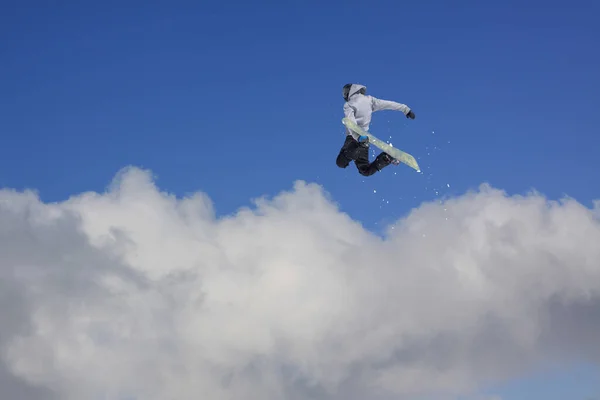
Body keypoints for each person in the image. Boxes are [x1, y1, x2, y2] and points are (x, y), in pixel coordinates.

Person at [336, 83, 416, 176]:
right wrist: (405, 109)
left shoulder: (348, 104)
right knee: (365, 170)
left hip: (354, 138)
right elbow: (388, 104)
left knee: (340, 163)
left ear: (350, 91)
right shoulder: (370, 100)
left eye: (345, 93)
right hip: (365, 139)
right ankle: (387, 158)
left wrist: (358, 137)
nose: (345, 95)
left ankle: (357, 149)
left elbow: (351, 122)